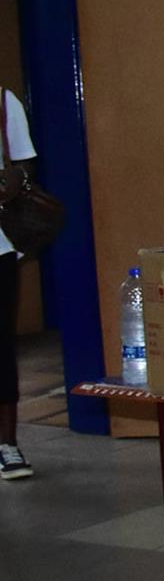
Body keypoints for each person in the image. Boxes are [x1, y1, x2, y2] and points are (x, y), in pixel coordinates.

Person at [0, 86, 39, 481]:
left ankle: (7, 443)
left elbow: (25, 162)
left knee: (1, 347)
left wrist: (17, 176)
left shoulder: (2, 101)